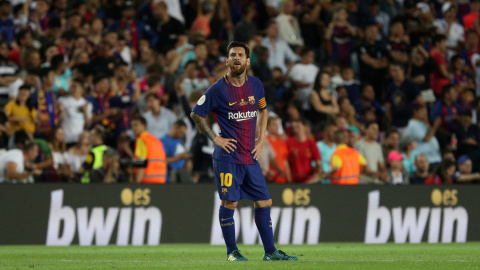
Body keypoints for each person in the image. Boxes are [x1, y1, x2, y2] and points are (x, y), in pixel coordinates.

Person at [190, 41, 297, 261]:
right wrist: (215, 138)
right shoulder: (217, 89)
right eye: (232, 55)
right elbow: (196, 114)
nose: (236, 58)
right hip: (227, 157)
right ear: (227, 61)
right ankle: (232, 252)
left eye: (240, 55)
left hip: (250, 155)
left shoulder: (256, 85)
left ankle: (270, 252)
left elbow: (263, 110)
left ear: (248, 61)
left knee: (265, 201)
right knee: (230, 203)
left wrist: (262, 139)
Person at [131, 115, 167, 184]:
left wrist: (137, 183)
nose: (133, 128)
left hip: (146, 181)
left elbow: (141, 163)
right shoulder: (156, 141)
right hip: (160, 180)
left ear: (144, 126)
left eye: (136, 125)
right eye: (132, 126)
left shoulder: (141, 139)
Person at [405, 103, 442, 167]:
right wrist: (435, 126)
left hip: (435, 158)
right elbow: (426, 138)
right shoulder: (412, 123)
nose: (425, 113)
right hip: (427, 160)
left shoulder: (422, 123)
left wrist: (427, 122)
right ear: (415, 112)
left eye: (426, 110)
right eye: (423, 110)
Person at [57, 79, 92, 146]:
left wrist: (85, 112)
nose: (71, 88)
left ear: (82, 89)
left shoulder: (86, 104)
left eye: (74, 86)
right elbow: (57, 120)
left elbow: (88, 124)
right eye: (71, 86)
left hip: (79, 140)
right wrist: (60, 111)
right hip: (65, 138)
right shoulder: (62, 100)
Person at [286, 119, 322, 183]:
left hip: (308, 180)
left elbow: (318, 163)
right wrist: (292, 157)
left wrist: (316, 175)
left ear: (305, 128)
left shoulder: (311, 144)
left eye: (298, 126)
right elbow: (285, 162)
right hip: (292, 180)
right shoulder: (288, 142)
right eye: (293, 127)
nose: (295, 128)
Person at [264, 117, 291, 183]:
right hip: (269, 178)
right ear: (267, 126)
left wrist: (289, 178)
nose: (277, 127)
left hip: (282, 178)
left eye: (277, 124)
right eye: (274, 124)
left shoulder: (281, 142)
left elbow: (285, 161)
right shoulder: (264, 141)